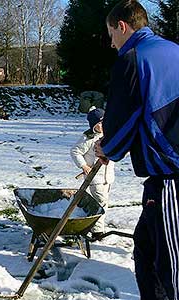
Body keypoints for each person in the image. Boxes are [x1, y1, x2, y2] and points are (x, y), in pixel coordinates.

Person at [95, 1, 179, 299]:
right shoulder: (173, 50)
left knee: (170, 267)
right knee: (145, 252)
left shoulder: (132, 58)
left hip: (171, 177)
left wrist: (107, 148)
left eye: (111, 34)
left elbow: (123, 120)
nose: (111, 43)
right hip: (161, 181)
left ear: (122, 26)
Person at [71, 106, 114, 237]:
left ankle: (95, 225)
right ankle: (97, 231)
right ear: (93, 125)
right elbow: (75, 151)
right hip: (95, 177)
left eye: (104, 122)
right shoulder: (88, 138)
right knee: (100, 203)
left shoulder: (108, 135)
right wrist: (84, 166)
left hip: (108, 176)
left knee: (104, 202)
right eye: (99, 123)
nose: (102, 125)